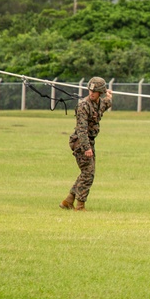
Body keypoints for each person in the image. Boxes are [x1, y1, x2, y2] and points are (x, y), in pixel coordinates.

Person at [61, 77, 112, 212]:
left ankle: (68, 200)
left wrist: (109, 96)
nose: (91, 93)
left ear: (100, 92)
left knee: (86, 172)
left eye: (95, 91)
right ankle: (80, 205)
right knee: (88, 173)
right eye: (90, 90)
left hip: (89, 141)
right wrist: (86, 148)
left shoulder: (99, 103)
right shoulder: (83, 105)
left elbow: (106, 104)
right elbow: (81, 129)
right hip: (80, 142)